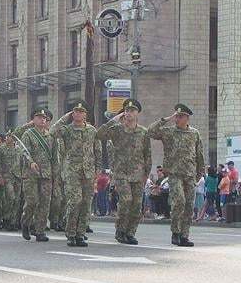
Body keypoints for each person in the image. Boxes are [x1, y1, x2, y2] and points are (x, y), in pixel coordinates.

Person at [148, 103, 205, 247]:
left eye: (180, 116)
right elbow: (151, 131)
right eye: (176, 116)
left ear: (187, 118)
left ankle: (184, 235)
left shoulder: (194, 133)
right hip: (174, 174)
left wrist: (199, 174)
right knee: (179, 201)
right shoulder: (168, 132)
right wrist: (166, 118)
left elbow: (199, 154)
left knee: (189, 206)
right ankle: (175, 233)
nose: (177, 119)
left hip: (190, 175)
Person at [96, 98, 151, 244]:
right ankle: (120, 230)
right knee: (126, 201)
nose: (129, 113)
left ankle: (130, 232)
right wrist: (113, 120)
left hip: (138, 174)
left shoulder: (143, 132)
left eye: (132, 110)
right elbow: (99, 135)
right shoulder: (117, 130)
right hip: (121, 173)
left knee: (137, 205)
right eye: (126, 110)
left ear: (137, 113)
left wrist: (146, 173)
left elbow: (147, 154)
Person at [51, 102, 102, 247]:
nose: (78, 114)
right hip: (71, 171)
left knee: (86, 204)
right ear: (72, 114)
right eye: (75, 112)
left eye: (81, 112)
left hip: (88, 172)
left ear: (85, 114)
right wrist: (64, 118)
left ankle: (80, 234)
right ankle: (71, 233)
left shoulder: (92, 130)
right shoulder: (66, 130)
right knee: (75, 201)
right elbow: (52, 132)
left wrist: (98, 169)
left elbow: (97, 150)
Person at [16, 109, 56, 242]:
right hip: (31, 174)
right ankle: (26, 222)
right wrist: (31, 162)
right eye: (39, 117)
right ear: (33, 119)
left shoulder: (50, 136)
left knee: (45, 203)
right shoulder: (28, 134)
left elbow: (54, 157)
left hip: (46, 173)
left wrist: (55, 173)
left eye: (44, 118)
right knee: (32, 201)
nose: (42, 120)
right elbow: (24, 151)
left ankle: (40, 231)